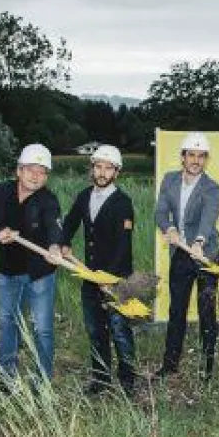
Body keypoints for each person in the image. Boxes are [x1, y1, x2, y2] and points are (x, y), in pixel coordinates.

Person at [0, 143, 64, 384]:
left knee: (42, 329)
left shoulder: (48, 200)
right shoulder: (0, 192)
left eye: (42, 172)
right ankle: (7, 379)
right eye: (31, 170)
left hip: (40, 274)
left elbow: (55, 226)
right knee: (8, 324)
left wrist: (55, 247)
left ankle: (42, 382)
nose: (36, 176)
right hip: (8, 273)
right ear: (19, 170)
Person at [60, 144, 137, 397]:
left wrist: (110, 280)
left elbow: (123, 247)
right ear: (92, 168)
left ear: (116, 172)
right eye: (98, 167)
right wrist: (63, 242)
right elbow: (70, 223)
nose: (102, 172)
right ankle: (101, 380)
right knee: (95, 331)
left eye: (108, 168)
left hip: (117, 280)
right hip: (89, 276)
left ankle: (128, 382)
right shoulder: (84, 196)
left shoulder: (123, 203)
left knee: (120, 332)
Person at [155, 132, 219, 381]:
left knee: (207, 312)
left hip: (206, 254)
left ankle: (207, 368)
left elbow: (209, 216)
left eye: (201, 156)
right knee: (177, 311)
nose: (196, 160)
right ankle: (170, 364)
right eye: (191, 155)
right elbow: (161, 211)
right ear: (182, 157)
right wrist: (169, 228)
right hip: (181, 255)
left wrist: (200, 241)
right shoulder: (169, 180)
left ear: (206, 160)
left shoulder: (212, 187)